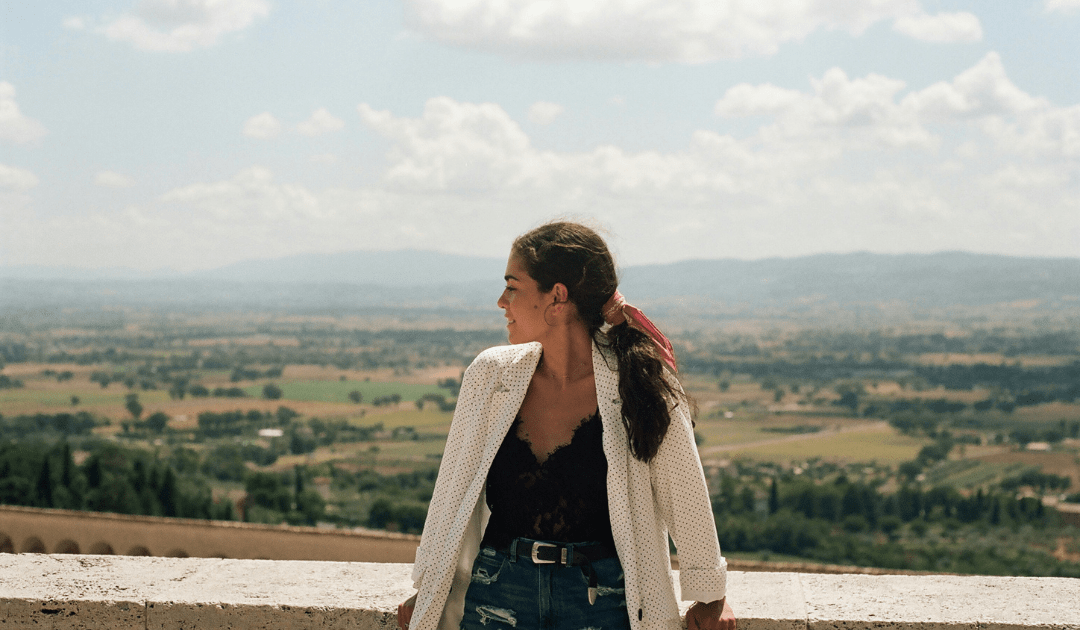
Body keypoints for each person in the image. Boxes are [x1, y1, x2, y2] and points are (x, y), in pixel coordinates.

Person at [398, 222, 735, 630]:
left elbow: (685, 494)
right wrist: (427, 590)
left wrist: (710, 597)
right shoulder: (490, 376)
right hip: (496, 592)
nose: (501, 301)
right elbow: (450, 494)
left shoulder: (639, 382)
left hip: (606, 601)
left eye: (513, 286)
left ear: (557, 297)